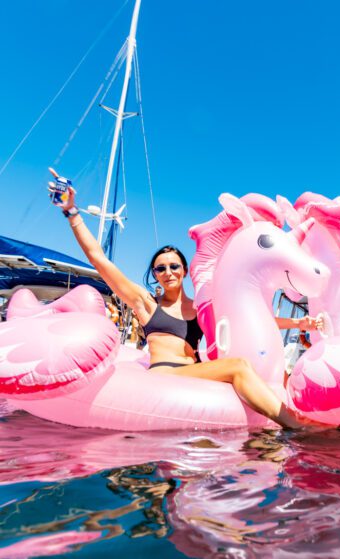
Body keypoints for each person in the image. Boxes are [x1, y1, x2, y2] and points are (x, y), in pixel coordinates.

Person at [49, 168, 324, 430]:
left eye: (173, 266)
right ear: (154, 274)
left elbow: (257, 321)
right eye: (160, 268)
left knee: (253, 368)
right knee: (239, 367)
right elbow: (99, 259)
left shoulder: (201, 307)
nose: (167, 272)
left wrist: (301, 323)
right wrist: (72, 211)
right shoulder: (147, 304)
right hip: (165, 374)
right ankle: (296, 426)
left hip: (198, 375)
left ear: (184, 271)